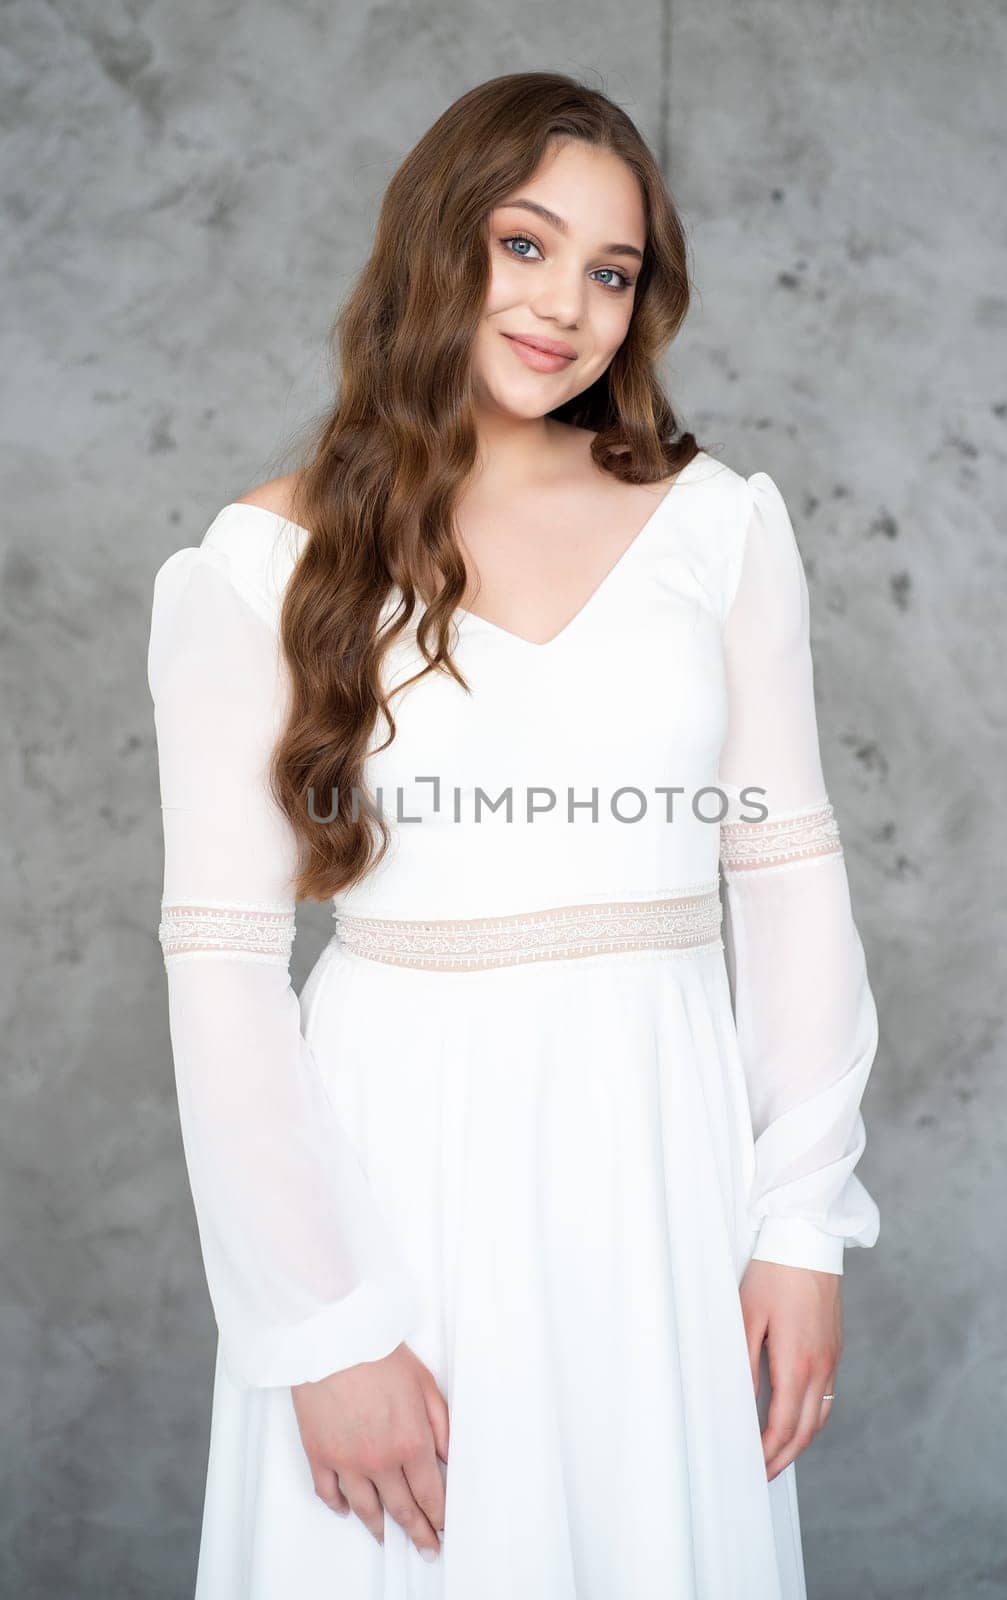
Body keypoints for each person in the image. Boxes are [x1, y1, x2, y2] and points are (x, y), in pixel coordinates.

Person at [147, 71, 880, 1600]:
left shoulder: (718, 527)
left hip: (658, 1167)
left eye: (612, 272)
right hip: (393, 1174)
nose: (568, 307)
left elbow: (791, 873)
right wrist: (320, 1326)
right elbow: (220, 965)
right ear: (437, 245)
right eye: (525, 245)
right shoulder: (262, 561)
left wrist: (800, 1220)